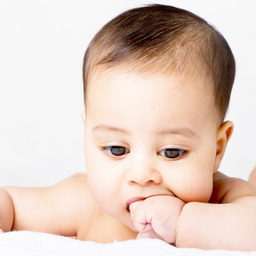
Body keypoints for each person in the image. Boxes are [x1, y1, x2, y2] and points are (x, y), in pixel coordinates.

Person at [0, 4, 256, 251]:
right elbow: (10, 203)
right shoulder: (83, 202)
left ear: (217, 148)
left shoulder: (226, 198)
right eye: (116, 149)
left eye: (171, 152)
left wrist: (180, 222)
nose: (142, 175)